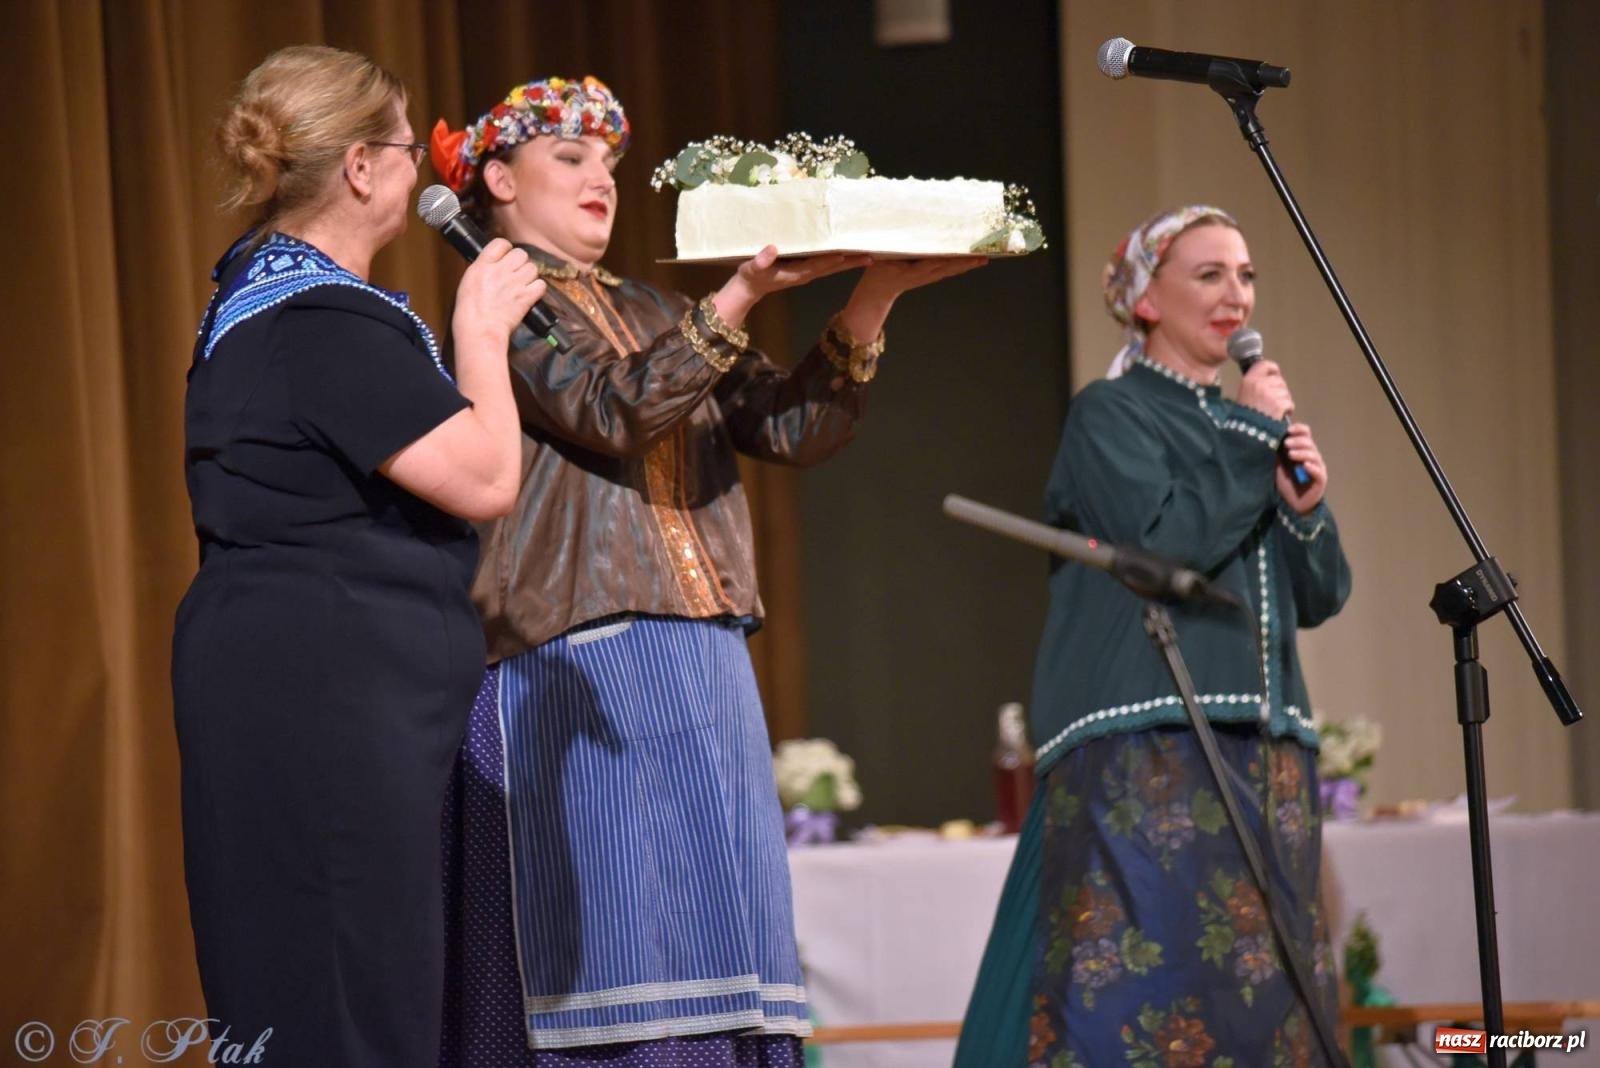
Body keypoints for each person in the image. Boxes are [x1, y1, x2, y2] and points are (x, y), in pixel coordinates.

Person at [428, 76, 984, 1066]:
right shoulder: (499, 299)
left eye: (609, 161)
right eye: (571, 156)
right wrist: (738, 296)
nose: (602, 177)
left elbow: (793, 428)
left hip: (703, 646)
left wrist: (873, 295)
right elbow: (610, 411)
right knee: (622, 932)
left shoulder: (654, 306)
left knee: (713, 927)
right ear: (500, 178)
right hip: (581, 645)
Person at [172, 45, 543, 1067]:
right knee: (341, 993)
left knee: (342, 984)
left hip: (307, 684)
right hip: (320, 696)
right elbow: (483, 479)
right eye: (405, 145)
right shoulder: (320, 317)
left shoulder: (271, 297)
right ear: (361, 168)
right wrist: (481, 332)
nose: (420, 172)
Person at [956, 205, 1352, 1067]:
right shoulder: (1112, 412)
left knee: (1261, 1008)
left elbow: (1320, 596)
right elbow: (1164, 547)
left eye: (1245, 276)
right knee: (1139, 1001)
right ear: (1145, 299)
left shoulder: (1247, 431)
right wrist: (1253, 437)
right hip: (1150, 748)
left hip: (1266, 748)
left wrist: (1306, 510)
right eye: (1210, 275)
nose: (1236, 296)